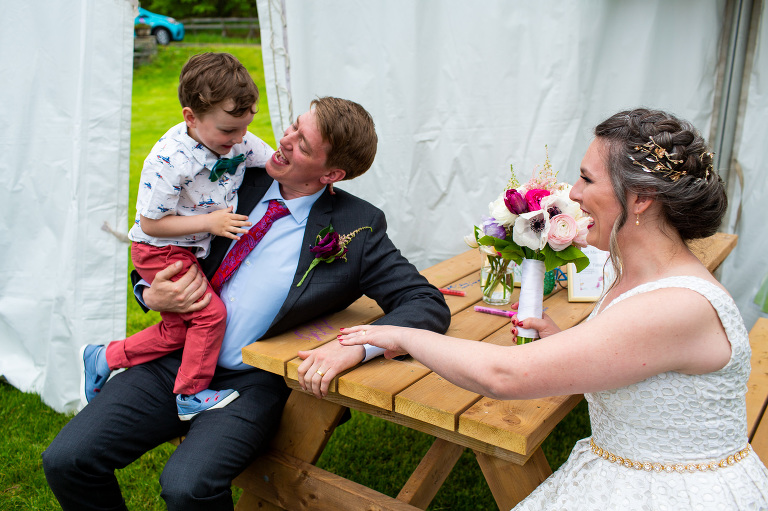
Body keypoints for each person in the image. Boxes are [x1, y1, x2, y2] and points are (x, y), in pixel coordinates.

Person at [339, 108, 768, 509]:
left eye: (586, 179)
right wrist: (567, 344)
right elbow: (642, 367)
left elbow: (503, 375)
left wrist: (405, 334)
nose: (575, 194)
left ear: (641, 198)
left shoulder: (676, 305)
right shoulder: (641, 274)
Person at [42, 96, 451, 510]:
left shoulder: (356, 227)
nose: (285, 140)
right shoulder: (230, 175)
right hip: (175, 357)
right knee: (66, 460)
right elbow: (158, 241)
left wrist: (354, 348)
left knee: (187, 486)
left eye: (303, 145)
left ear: (332, 173)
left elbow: (425, 302)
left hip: (250, 379)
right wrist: (148, 293)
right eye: (292, 126)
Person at [80, 52, 274, 420]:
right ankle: (190, 394)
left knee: (176, 332)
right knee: (209, 316)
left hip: (185, 249)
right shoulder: (168, 160)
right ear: (191, 117)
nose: (239, 140)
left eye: (245, 127)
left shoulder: (238, 140)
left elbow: (272, 160)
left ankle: (103, 357)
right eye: (228, 131)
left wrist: (312, 181)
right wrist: (210, 223)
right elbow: (151, 224)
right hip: (160, 249)